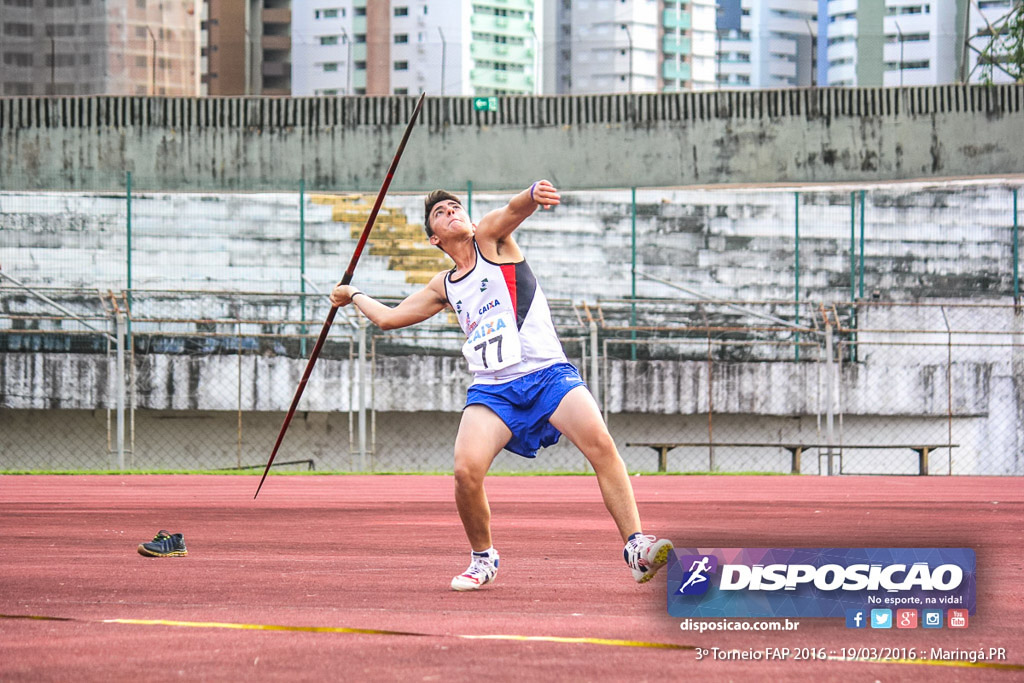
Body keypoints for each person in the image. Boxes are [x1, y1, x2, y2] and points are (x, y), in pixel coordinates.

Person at [330, 180, 673, 591]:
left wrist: (532, 194)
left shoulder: (492, 241)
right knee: (465, 470)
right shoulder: (444, 285)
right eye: (441, 213)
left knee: (600, 443)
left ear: (470, 220)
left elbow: (513, 210)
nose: (451, 213)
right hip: (494, 389)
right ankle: (483, 558)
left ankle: (636, 549)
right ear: (433, 238)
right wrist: (353, 294)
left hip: (548, 373)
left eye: (456, 207)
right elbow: (388, 318)